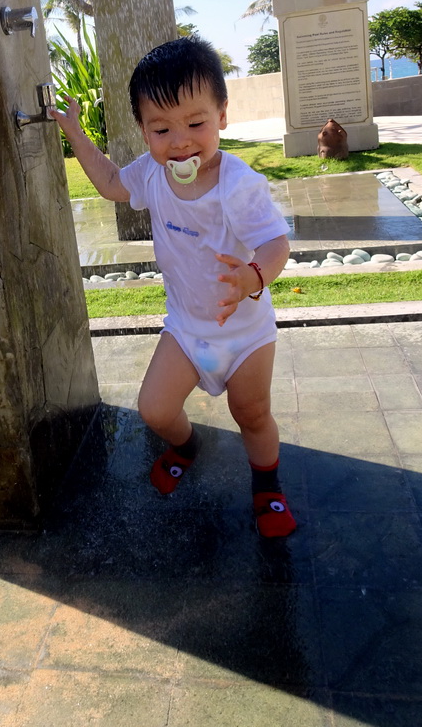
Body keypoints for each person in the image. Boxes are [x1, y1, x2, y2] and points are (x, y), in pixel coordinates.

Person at [50, 36, 296, 537]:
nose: (180, 141)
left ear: (222, 116)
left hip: (245, 332)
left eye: (196, 124)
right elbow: (112, 183)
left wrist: (252, 277)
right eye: (161, 129)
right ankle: (185, 446)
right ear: (143, 131)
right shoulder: (152, 175)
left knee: (251, 413)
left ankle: (267, 485)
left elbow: (275, 246)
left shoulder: (237, 184)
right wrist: (74, 133)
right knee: (154, 409)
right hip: (187, 329)